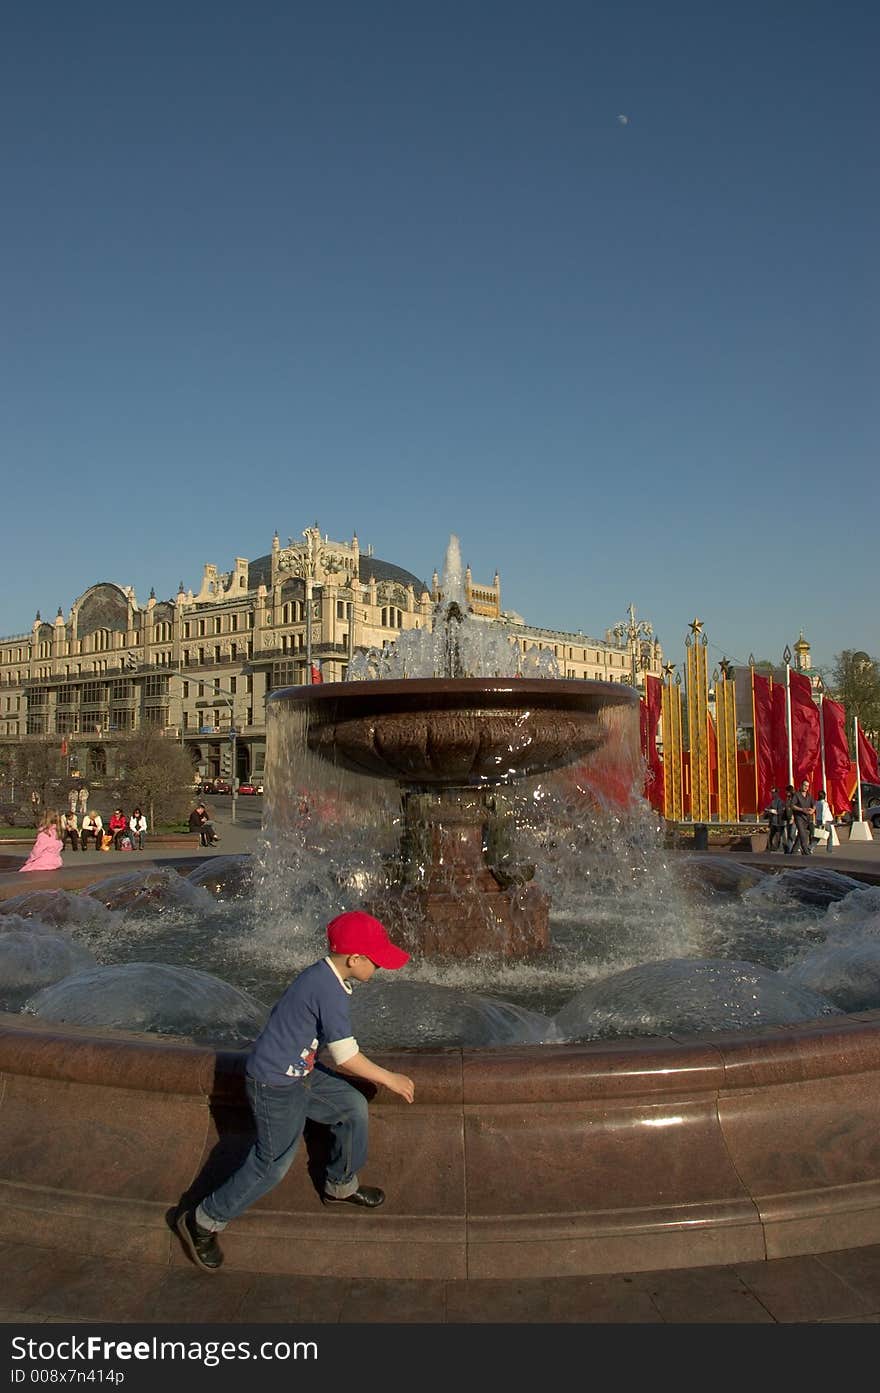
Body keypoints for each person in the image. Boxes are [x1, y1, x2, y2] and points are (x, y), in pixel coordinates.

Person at [175, 910, 415, 1273]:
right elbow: (345, 1056)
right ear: (354, 959)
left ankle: (340, 1185)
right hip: (274, 1082)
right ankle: (203, 1220)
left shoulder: (327, 976)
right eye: (377, 962)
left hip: (301, 1072)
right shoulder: (326, 988)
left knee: (351, 1107)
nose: (380, 969)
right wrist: (389, 1078)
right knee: (271, 1163)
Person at [790, 779, 816, 856]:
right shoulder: (797, 795)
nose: (806, 787)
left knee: (800, 835)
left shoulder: (809, 796)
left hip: (807, 818)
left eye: (807, 786)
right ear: (801, 785)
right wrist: (802, 809)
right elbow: (792, 805)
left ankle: (793, 852)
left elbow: (813, 804)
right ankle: (805, 851)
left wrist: (813, 810)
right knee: (802, 834)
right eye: (804, 785)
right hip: (799, 817)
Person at [764, 787, 787, 852]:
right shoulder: (773, 801)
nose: (772, 794)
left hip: (780, 822)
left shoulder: (781, 802)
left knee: (781, 836)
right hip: (773, 822)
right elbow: (767, 808)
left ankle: (783, 848)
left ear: (777, 793)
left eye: (774, 792)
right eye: (772, 793)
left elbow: (780, 811)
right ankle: (771, 847)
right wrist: (767, 810)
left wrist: (772, 811)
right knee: (771, 835)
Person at [813, 789, 835, 855]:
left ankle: (811, 847)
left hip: (819, 820)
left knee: (818, 835)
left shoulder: (817, 802)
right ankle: (829, 849)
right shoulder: (824, 803)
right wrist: (823, 822)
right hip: (825, 821)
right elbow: (824, 813)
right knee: (829, 835)